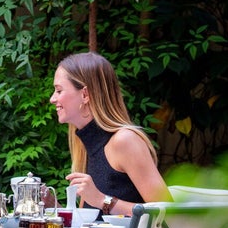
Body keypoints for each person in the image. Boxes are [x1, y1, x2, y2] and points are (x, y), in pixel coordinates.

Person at [49, 51, 172, 219]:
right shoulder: (87, 146)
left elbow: (168, 214)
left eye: (58, 90)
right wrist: (51, 206)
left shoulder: (124, 141)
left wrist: (103, 201)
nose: (52, 99)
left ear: (85, 95)